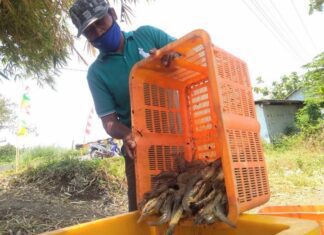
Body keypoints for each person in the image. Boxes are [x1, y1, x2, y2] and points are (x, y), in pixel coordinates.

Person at [69, 0, 179, 211]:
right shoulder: (97, 73)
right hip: (140, 151)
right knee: (144, 213)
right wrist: (128, 135)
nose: (98, 33)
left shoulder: (146, 35)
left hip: (181, 139)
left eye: (100, 22)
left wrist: (173, 57)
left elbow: (187, 53)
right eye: (90, 32)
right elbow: (109, 122)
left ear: (112, 13)